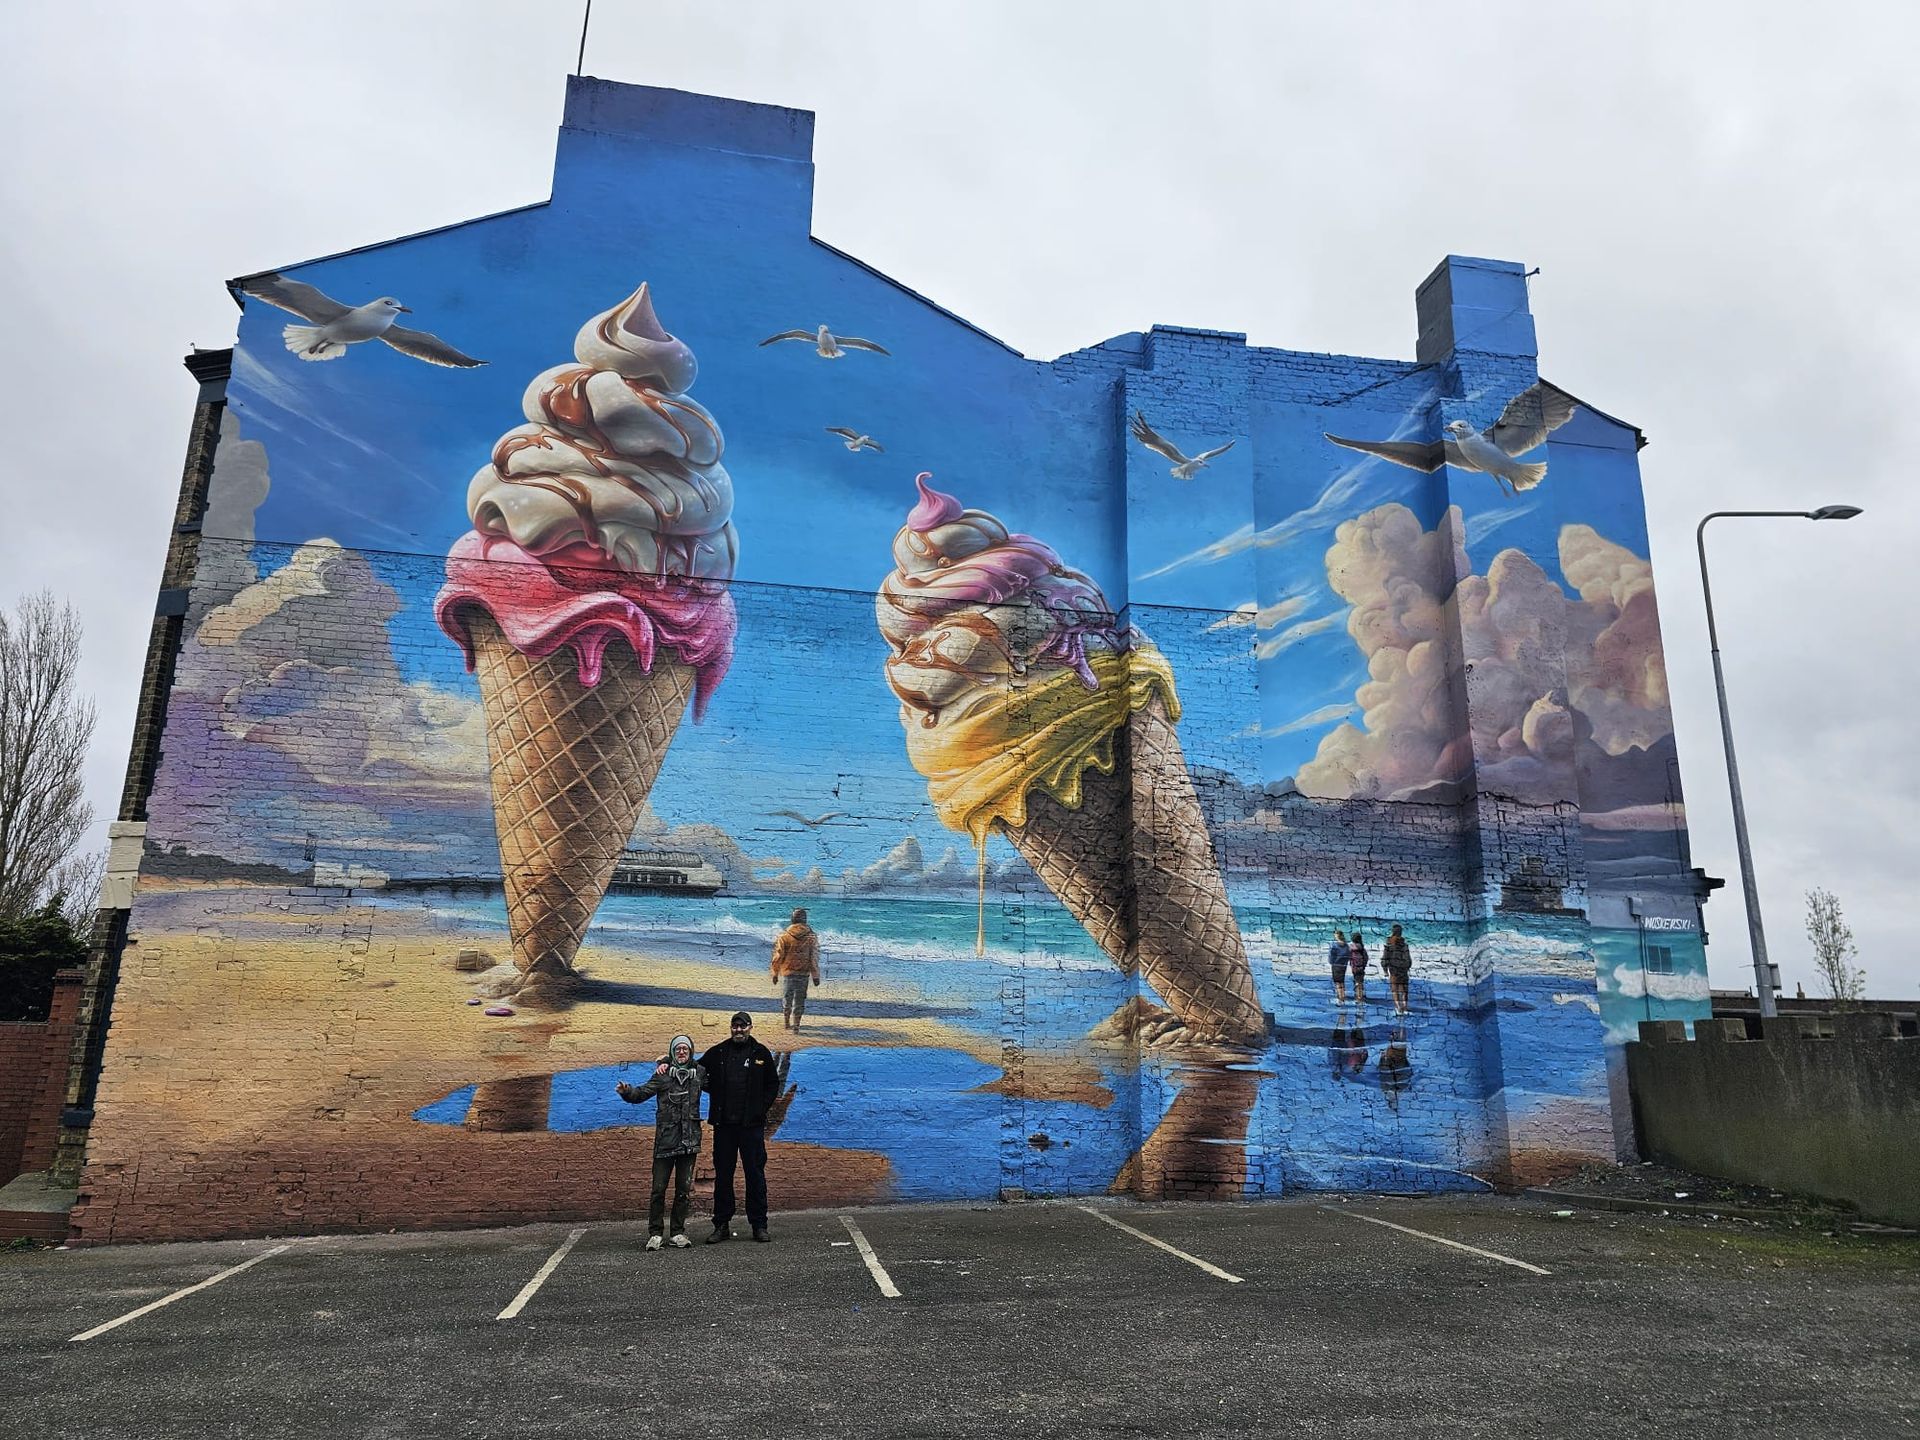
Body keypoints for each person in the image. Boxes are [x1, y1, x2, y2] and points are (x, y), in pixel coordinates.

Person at [615, 1034, 705, 1251]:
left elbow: (720, 1082)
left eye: (685, 1049)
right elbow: (641, 1093)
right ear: (673, 1052)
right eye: (677, 1049)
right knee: (658, 1190)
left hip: (689, 1142)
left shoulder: (700, 1073)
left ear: (691, 1052)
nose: (681, 1052)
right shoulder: (662, 1075)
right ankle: (655, 1234)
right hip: (665, 1141)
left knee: (683, 1191)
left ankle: (677, 1233)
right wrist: (627, 1092)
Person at [700, 1010, 780, 1243]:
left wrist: (760, 1109)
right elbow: (696, 1070)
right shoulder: (718, 1052)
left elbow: (772, 1084)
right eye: (735, 1026)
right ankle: (721, 1225)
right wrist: (667, 1063)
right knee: (723, 1176)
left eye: (743, 1026)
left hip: (751, 1127)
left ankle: (759, 1225)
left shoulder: (761, 1053)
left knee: (755, 1175)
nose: (739, 1030)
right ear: (731, 1028)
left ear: (750, 1028)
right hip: (724, 1126)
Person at [770, 908, 824, 1031]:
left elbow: (778, 956)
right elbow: (813, 958)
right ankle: (796, 1026)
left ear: (792, 920)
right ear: (805, 920)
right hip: (803, 974)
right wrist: (815, 976)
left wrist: (775, 973)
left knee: (787, 998)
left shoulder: (784, 936)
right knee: (800, 1000)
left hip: (788, 973)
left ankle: (786, 1023)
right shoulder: (811, 937)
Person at [1382, 923, 1412, 1016]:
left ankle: (1398, 1007)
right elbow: (1408, 959)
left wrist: (1385, 970)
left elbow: (1385, 958)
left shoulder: (1389, 944)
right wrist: (1407, 966)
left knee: (1395, 989)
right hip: (1403, 969)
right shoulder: (1404, 945)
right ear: (1401, 933)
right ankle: (1405, 1007)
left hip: (1393, 969)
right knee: (1404, 989)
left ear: (1393, 932)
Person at [1348, 929, 1370, 1008]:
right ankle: (1360, 996)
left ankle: (1358, 997)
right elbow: (1366, 958)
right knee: (1360, 982)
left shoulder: (1350, 948)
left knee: (1356, 981)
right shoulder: (1362, 948)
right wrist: (1364, 965)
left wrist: (1351, 963)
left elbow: (1348, 957)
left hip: (1354, 968)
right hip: (1361, 968)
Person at [1327, 928, 1350, 1004]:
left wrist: (1331, 962)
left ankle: (1340, 998)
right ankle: (1342, 995)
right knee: (1342, 981)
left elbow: (1331, 956)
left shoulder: (1334, 945)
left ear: (1337, 936)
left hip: (1336, 965)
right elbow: (1348, 955)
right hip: (1343, 965)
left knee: (1337, 982)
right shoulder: (1346, 945)